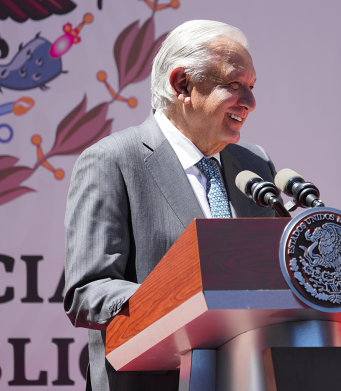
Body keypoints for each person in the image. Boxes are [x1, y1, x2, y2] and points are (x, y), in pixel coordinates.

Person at [64, 20, 278, 391]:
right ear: (182, 85)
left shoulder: (255, 165)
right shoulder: (113, 160)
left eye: (252, 87)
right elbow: (88, 293)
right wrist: (190, 302)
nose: (250, 102)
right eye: (234, 85)